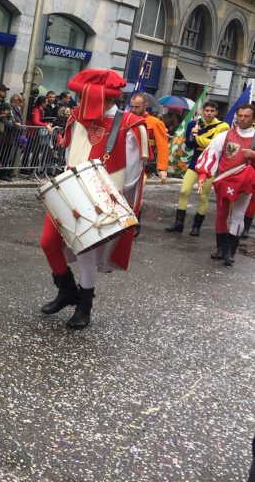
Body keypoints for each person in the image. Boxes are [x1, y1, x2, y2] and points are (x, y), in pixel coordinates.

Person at [39, 70, 148, 329]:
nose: (78, 103)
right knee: (48, 242)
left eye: (83, 97)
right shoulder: (77, 118)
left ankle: (84, 304)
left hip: (102, 198)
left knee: (86, 251)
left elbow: (132, 174)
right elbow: (70, 156)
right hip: (70, 192)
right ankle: (67, 291)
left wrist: (116, 205)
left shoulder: (130, 124)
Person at [194, 103, 255, 266]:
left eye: (246, 116)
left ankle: (230, 251)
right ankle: (221, 248)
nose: (242, 119)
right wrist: (203, 174)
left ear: (253, 118)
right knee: (221, 214)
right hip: (224, 181)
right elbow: (211, 154)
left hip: (245, 184)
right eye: (240, 115)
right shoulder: (225, 135)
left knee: (238, 215)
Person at [164, 101, 229, 235]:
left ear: (216, 112)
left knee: (203, 196)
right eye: (207, 110)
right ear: (202, 111)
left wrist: (197, 137)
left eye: (212, 111)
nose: (209, 113)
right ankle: (179, 223)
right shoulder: (193, 124)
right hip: (195, 161)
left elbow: (215, 145)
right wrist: (193, 137)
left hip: (211, 164)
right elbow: (189, 144)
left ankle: (196, 227)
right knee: (184, 191)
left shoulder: (223, 126)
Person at [129, 93, 169, 181]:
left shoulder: (156, 123)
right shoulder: (126, 119)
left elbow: (163, 146)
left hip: (143, 164)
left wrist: (162, 168)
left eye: (137, 107)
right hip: (126, 161)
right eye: (131, 106)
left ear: (145, 105)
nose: (133, 109)